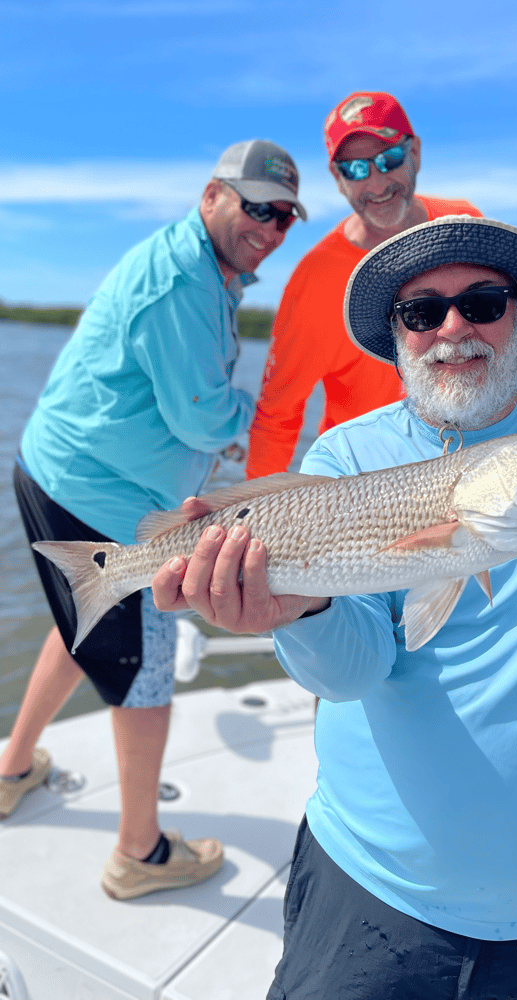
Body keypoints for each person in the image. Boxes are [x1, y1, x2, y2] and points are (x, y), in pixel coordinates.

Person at [153, 216, 517, 999]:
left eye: (484, 301)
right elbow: (355, 668)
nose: (454, 329)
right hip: (374, 888)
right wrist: (298, 610)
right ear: (398, 336)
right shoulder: (346, 456)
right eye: (422, 311)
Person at [0, 140, 307, 900]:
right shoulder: (185, 284)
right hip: (104, 500)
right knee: (146, 668)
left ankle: (9, 768)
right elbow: (203, 416)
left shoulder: (203, 268)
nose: (270, 228)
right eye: (257, 208)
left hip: (55, 468)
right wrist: (274, 418)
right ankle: (139, 852)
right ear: (213, 196)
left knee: (83, 613)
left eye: (284, 219)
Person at [246, 90, 517, 479]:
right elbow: (278, 415)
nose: (376, 183)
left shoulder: (461, 219)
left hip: (474, 464)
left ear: (414, 151)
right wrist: (252, 527)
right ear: (338, 178)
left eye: (389, 160)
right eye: (355, 169)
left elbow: (495, 312)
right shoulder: (313, 279)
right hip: (371, 480)